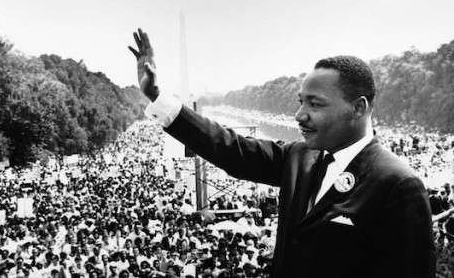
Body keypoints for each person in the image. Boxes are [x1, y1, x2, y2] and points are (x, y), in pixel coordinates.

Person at [128, 28, 436, 278]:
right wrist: (157, 96)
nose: (299, 115)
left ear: (358, 108)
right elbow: (228, 148)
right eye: (300, 102)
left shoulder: (397, 184)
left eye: (315, 104)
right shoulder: (299, 156)